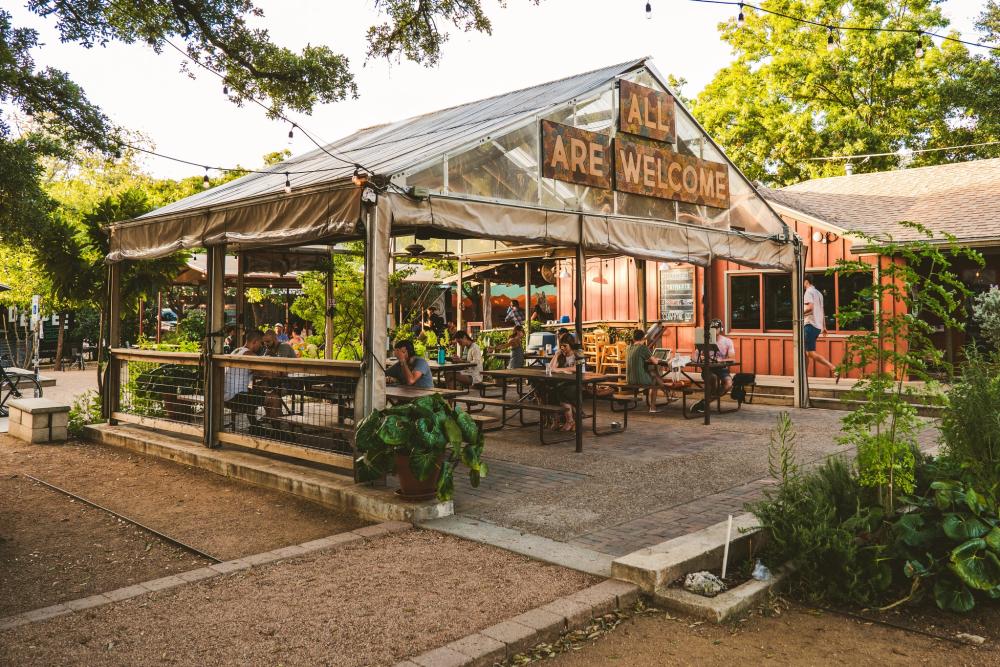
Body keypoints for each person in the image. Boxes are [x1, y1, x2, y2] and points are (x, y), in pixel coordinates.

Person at [223, 331, 281, 424]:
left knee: (256, 391)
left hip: (225, 396)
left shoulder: (236, 351)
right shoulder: (249, 355)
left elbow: (254, 372)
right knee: (275, 398)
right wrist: (277, 372)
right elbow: (268, 373)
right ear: (255, 342)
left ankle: (255, 426)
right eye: (261, 343)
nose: (262, 346)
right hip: (236, 398)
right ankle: (276, 432)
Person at [803, 275, 839, 382]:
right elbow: (822, 311)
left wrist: (797, 314)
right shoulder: (818, 293)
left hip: (810, 324)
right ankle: (802, 376)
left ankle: (833, 367)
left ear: (806, 281)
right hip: (817, 326)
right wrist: (824, 326)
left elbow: (810, 308)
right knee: (805, 352)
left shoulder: (808, 292)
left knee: (810, 352)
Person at [626, 329, 671, 413]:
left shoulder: (629, 347)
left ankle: (668, 394)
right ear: (643, 338)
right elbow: (655, 362)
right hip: (638, 379)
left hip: (629, 378)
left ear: (633, 338)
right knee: (655, 380)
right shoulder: (642, 348)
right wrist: (664, 359)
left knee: (653, 373)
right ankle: (654, 406)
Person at [547, 334, 583, 431]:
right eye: (561, 346)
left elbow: (578, 369)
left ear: (571, 345)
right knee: (549, 391)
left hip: (576, 384)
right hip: (563, 383)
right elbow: (550, 368)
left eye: (565, 346)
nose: (563, 348)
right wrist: (556, 354)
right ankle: (556, 420)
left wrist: (560, 369)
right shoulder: (561, 356)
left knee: (562, 392)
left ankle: (570, 421)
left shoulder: (578, 355)